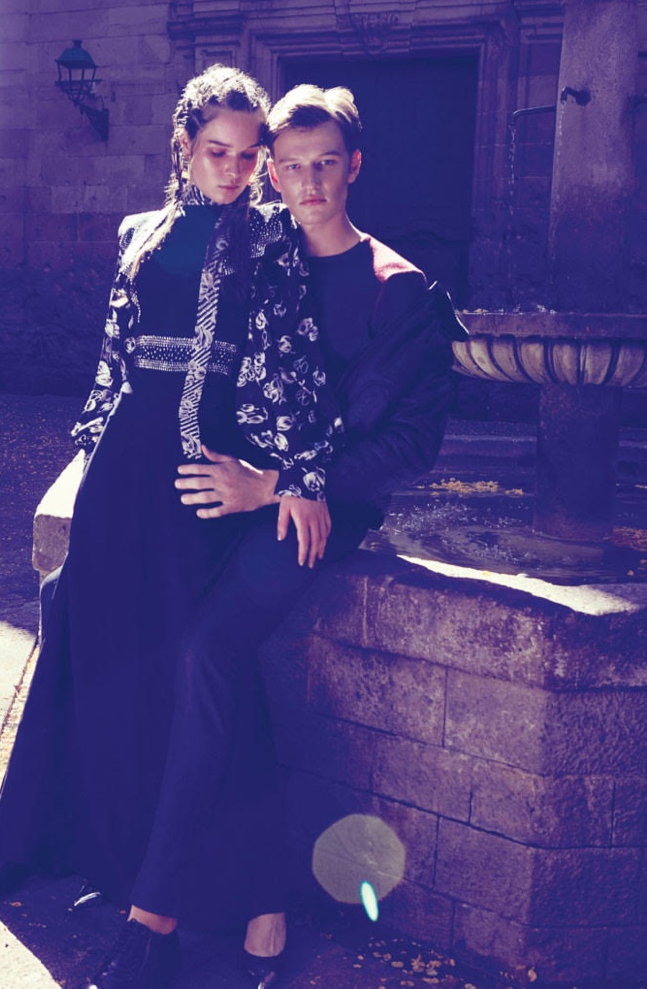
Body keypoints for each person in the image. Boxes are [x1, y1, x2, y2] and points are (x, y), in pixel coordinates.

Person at [0, 66, 340, 989]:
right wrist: (86, 458)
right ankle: (23, 850)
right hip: (121, 471)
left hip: (201, 481)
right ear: (183, 147)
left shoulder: (273, 239)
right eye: (217, 152)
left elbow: (298, 367)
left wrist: (294, 476)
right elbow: (114, 361)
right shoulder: (139, 232)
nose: (235, 169)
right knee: (79, 641)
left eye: (249, 156)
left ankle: (217, 891)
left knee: (195, 669)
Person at [171, 83, 467, 980]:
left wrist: (280, 488)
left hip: (319, 511)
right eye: (291, 166)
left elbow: (412, 444)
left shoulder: (400, 292)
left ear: (354, 167)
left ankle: (256, 897)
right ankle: (131, 855)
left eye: (325, 164)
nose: (308, 184)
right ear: (273, 172)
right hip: (241, 487)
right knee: (124, 609)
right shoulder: (259, 256)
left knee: (208, 649)